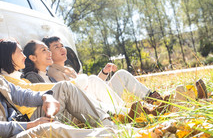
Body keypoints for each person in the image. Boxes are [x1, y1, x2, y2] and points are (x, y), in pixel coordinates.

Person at [22, 39, 173, 119]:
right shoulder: (52, 73)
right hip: (86, 104)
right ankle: (135, 111)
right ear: (33, 57)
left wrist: (104, 72)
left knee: (120, 74)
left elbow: (93, 86)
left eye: (62, 46)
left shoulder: (64, 70)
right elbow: (68, 94)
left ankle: (153, 99)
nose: (62, 49)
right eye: (54, 48)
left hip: (96, 99)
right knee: (93, 79)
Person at [0, 38, 130, 116]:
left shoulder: (21, 78)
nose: (23, 56)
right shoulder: (16, 79)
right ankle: (122, 112)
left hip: (52, 108)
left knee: (108, 78)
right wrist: (73, 84)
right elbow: (31, 88)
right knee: (72, 88)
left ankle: (124, 111)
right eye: (20, 53)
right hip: (41, 115)